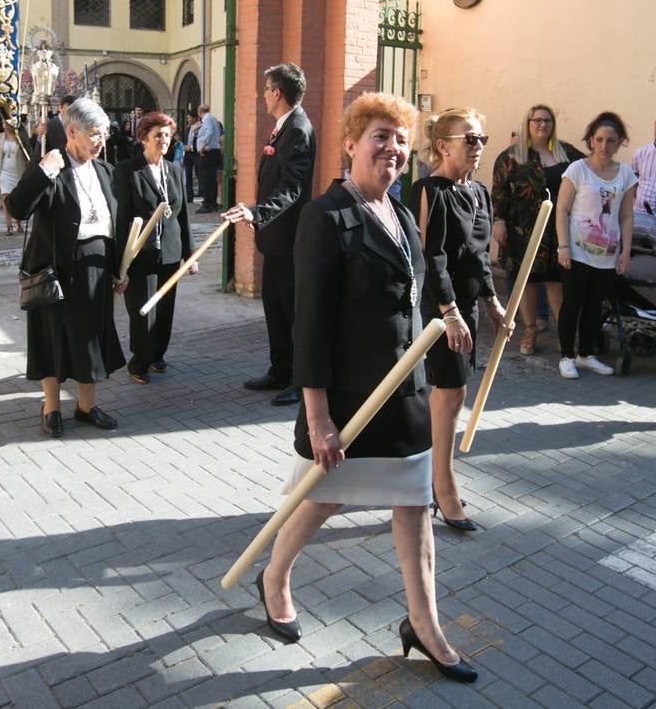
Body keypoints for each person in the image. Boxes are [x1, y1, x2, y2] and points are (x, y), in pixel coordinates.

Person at [257, 92, 477, 683]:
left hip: (401, 391)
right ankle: (275, 577)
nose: (393, 148)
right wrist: (319, 415)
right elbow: (310, 323)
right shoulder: (325, 216)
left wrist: (451, 313)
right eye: (380, 135)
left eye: (401, 139)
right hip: (346, 397)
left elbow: (417, 292)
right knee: (323, 498)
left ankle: (423, 623)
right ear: (351, 144)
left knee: (414, 505)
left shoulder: (402, 215)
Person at [412, 108, 508, 532]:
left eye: (482, 139)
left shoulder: (480, 191)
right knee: (450, 391)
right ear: (442, 145)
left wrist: (492, 302)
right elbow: (432, 257)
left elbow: (478, 255)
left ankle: (432, 477)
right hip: (438, 309)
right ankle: (441, 484)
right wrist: (449, 312)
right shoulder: (428, 191)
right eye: (469, 139)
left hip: (465, 307)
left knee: (453, 392)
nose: (478, 146)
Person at [7, 97, 126, 439]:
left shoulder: (104, 169)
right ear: (72, 131)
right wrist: (42, 172)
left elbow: (112, 222)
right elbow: (17, 208)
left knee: (91, 337)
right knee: (52, 338)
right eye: (94, 134)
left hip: (97, 266)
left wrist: (120, 268)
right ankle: (52, 408)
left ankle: (86, 406)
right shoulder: (51, 167)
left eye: (104, 133)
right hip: (57, 269)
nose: (101, 141)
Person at [223, 64, 316, 406]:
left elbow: (292, 187)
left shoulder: (298, 130)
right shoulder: (284, 126)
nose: (263, 94)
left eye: (266, 89)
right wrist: (252, 206)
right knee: (274, 307)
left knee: (292, 313)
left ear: (277, 92)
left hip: (290, 239)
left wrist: (258, 212)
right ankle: (279, 370)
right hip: (275, 238)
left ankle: (297, 379)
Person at [490, 103, 585, 355]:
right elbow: (499, 193)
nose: (542, 125)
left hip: (560, 228)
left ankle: (564, 336)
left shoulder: (568, 153)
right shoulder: (511, 156)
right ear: (528, 124)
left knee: (557, 281)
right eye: (537, 120)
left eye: (547, 120)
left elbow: (590, 174)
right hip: (523, 229)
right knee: (527, 281)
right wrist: (498, 222)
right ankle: (530, 331)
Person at [114, 111, 196, 384]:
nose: (164, 140)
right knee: (143, 310)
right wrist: (120, 262)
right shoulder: (128, 170)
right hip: (141, 253)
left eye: (167, 135)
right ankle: (139, 361)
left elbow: (182, 215)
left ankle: (157, 354)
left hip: (170, 252)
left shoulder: (174, 169)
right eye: (158, 135)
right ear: (143, 139)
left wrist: (190, 254)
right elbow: (121, 216)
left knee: (166, 308)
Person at [554, 112, 636, 378]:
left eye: (610, 140)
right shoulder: (577, 170)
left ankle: (586, 354)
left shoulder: (625, 174)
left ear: (619, 142)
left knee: (594, 306)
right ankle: (566, 355)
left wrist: (625, 252)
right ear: (590, 140)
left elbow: (626, 215)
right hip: (577, 253)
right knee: (572, 304)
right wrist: (563, 247)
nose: (604, 145)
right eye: (599, 139)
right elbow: (562, 210)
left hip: (607, 255)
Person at [0, 120, 26, 235]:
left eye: (6, 123)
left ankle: (18, 222)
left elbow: (28, 154)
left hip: (18, 171)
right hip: (4, 171)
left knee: (18, 198)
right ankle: (9, 225)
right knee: (5, 197)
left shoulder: (21, 137)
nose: (4, 125)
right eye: (3, 123)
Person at [194, 104, 224, 212]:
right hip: (212, 151)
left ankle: (207, 204)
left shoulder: (207, 119)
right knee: (211, 179)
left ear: (200, 111)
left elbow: (210, 132)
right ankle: (212, 203)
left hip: (208, 151)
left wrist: (202, 145)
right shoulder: (212, 119)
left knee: (205, 179)